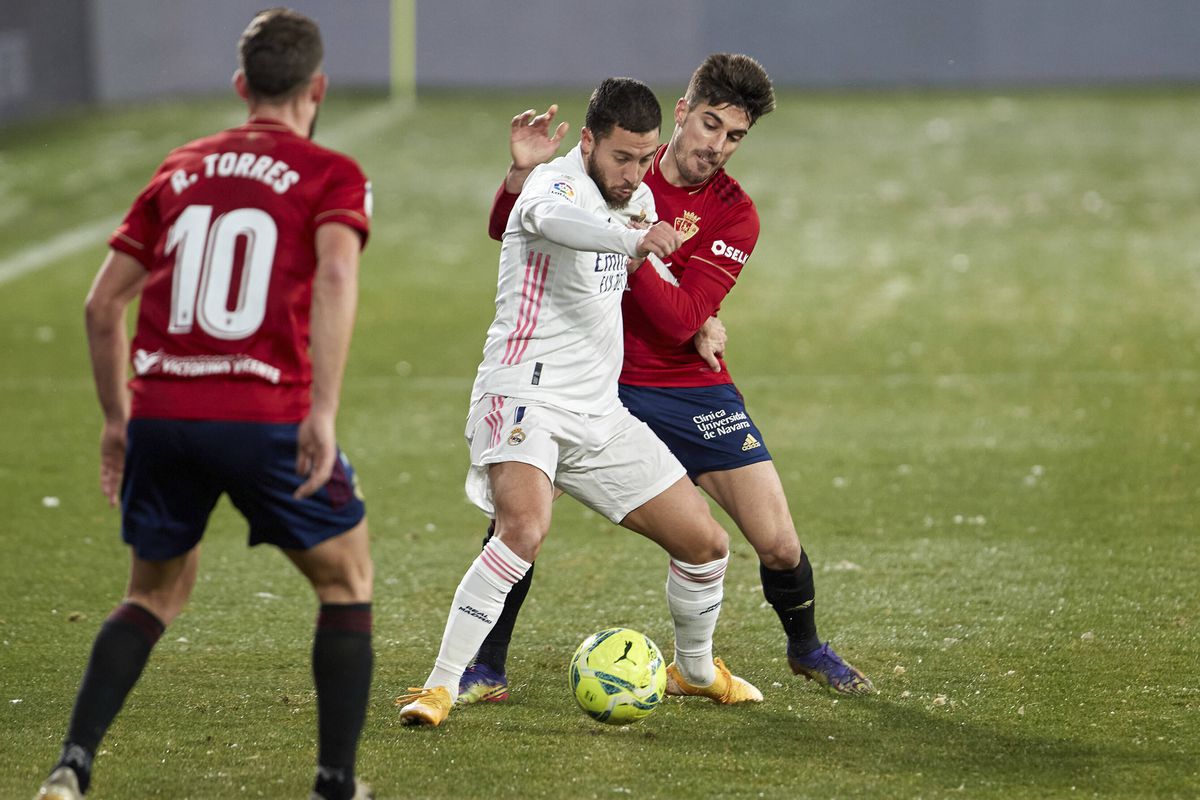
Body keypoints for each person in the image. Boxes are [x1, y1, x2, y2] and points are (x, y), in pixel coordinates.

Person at [459, 53, 873, 705]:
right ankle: (485, 665)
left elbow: (682, 321)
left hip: (687, 383)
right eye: (709, 124)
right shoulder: (623, 161)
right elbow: (508, 230)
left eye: (734, 136)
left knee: (777, 539)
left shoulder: (736, 215)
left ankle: (806, 649)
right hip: (594, 377)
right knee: (521, 519)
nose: (716, 146)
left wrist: (634, 253)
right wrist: (527, 181)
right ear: (682, 112)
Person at [34, 9, 375, 800]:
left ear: (240, 85)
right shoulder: (331, 173)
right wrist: (321, 411)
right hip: (265, 419)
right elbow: (333, 276)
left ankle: (70, 767)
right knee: (345, 580)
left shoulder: (179, 167)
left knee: (152, 594)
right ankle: (334, 785)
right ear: (316, 88)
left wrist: (119, 423)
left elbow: (99, 307)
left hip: (162, 416)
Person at [395, 76, 761, 729]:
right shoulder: (553, 183)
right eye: (621, 157)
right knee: (524, 530)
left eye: (646, 158)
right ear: (588, 142)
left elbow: (656, 267)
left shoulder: (641, 196)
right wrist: (630, 241)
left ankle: (697, 671)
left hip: (598, 412)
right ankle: (441, 687)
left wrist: (699, 317)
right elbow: (548, 221)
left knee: (705, 545)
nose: (634, 173)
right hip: (523, 392)